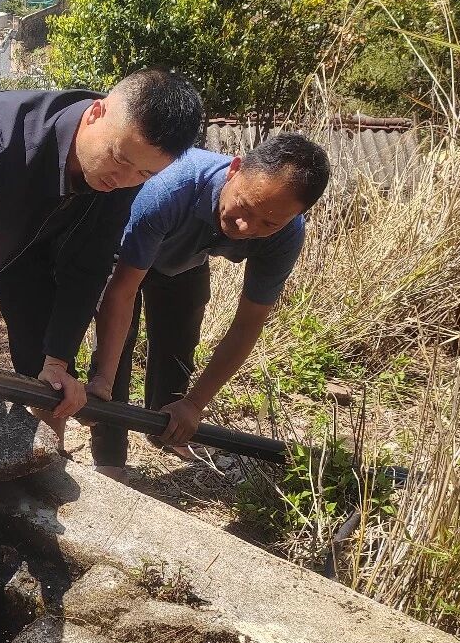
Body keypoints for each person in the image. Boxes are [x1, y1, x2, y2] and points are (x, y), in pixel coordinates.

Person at [0, 70, 203, 431]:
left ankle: (45, 456)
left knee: (52, 380)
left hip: (31, 240)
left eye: (144, 174)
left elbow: (89, 269)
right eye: (119, 158)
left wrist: (57, 362)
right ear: (96, 113)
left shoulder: (125, 172)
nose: (123, 179)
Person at [83, 133, 331, 476]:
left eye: (269, 223)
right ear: (235, 169)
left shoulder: (287, 235)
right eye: (245, 206)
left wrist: (195, 404)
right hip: (128, 253)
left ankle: (167, 428)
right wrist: (102, 381)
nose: (246, 226)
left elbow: (248, 323)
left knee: (179, 343)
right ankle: (110, 456)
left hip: (186, 260)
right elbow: (122, 291)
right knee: (115, 352)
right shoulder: (172, 188)